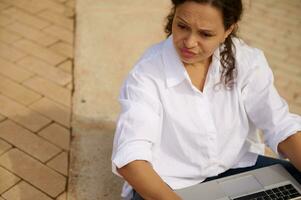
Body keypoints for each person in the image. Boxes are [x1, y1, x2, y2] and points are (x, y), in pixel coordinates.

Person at [111, 0, 301, 199]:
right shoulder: (146, 73)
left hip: (236, 168)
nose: (189, 42)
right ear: (174, 15)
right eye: (182, 26)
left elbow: (280, 125)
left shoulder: (246, 61)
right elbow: (130, 158)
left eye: (205, 34)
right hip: (171, 185)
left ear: (229, 30)